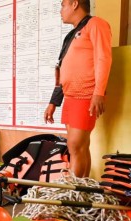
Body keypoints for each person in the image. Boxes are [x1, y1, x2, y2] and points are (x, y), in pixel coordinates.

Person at [44, 0, 112, 178]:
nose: (61, 10)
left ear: (74, 4)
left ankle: (72, 195)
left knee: (76, 146)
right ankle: (81, 193)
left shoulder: (96, 24)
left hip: (85, 95)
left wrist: (99, 92)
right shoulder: (71, 35)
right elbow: (61, 69)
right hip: (70, 97)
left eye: (63, 5)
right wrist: (53, 102)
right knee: (79, 147)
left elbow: (103, 58)